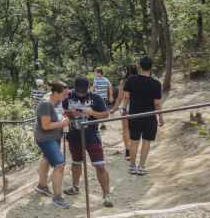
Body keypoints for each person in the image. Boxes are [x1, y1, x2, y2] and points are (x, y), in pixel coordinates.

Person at [63, 76, 113, 208]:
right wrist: (70, 113)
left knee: (100, 165)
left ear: (88, 88)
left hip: (92, 135)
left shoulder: (95, 97)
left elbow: (106, 114)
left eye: (83, 93)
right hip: (74, 135)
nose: (80, 95)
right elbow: (61, 112)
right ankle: (75, 187)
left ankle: (106, 195)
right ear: (75, 88)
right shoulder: (68, 96)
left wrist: (92, 112)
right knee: (76, 163)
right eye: (78, 92)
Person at [122, 56, 163, 176]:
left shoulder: (131, 80)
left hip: (134, 114)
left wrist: (124, 109)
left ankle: (132, 166)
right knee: (146, 141)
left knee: (134, 141)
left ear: (139, 66)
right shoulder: (156, 84)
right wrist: (160, 117)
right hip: (150, 117)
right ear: (151, 67)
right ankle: (142, 167)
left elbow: (126, 97)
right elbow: (157, 103)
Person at [35, 81, 71, 209]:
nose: (66, 97)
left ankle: (42, 186)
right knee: (60, 164)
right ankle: (57, 197)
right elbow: (45, 126)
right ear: (55, 93)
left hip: (54, 136)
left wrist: (63, 118)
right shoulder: (46, 104)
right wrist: (63, 123)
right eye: (64, 94)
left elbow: (58, 115)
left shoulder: (56, 100)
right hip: (46, 138)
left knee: (46, 158)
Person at [110, 65, 138, 160]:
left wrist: (114, 109)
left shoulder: (124, 82)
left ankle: (128, 150)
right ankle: (134, 149)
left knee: (126, 130)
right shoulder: (140, 80)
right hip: (138, 108)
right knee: (135, 130)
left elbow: (120, 97)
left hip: (126, 108)